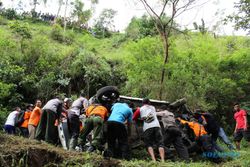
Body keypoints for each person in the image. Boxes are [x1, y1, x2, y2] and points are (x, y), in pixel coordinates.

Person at [133, 98, 165, 162]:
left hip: (147, 127)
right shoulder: (153, 108)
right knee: (160, 143)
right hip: (157, 126)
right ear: (149, 102)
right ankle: (162, 160)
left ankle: (154, 160)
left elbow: (134, 117)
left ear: (143, 103)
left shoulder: (140, 109)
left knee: (149, 144)